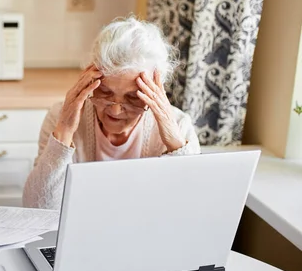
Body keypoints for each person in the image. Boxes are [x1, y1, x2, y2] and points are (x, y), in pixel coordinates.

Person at [23, 17, 201, 210]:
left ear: (156, 91)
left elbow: (189, 208)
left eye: (133, 98)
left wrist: (175, 142)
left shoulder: (180, 125)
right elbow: (37, 208)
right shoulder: (60, 116)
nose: (116, 110)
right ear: (90, 80)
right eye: (105, 93)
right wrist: (64, 131)